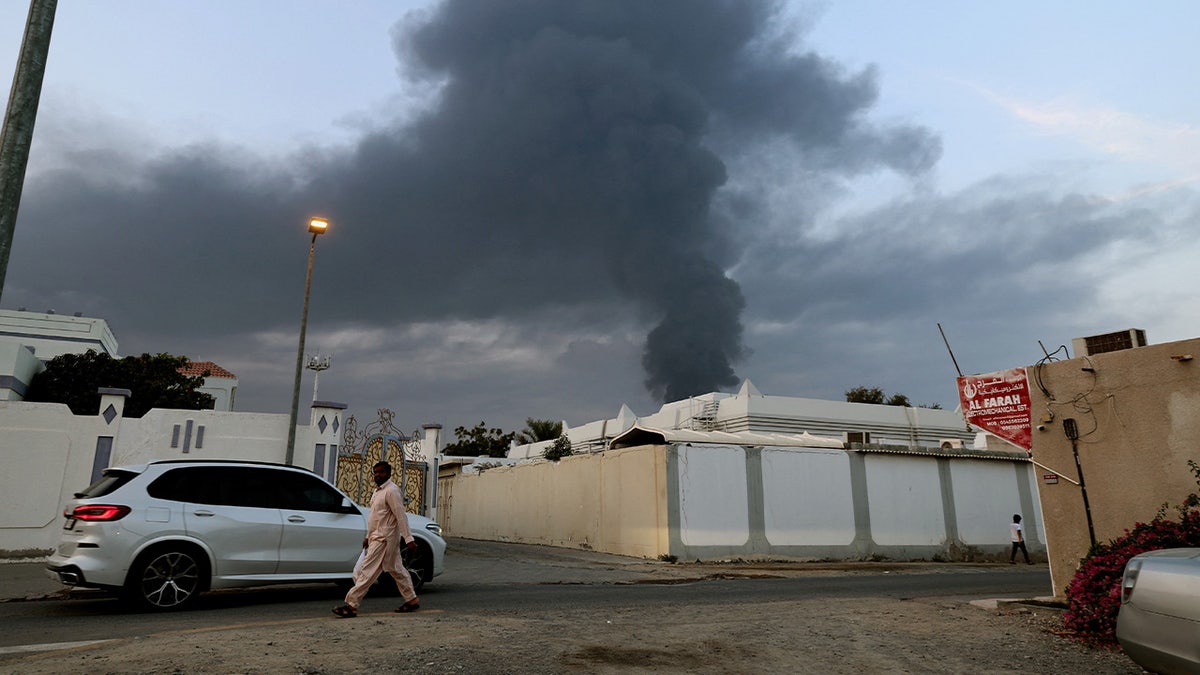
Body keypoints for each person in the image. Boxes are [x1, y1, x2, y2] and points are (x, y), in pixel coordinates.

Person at [332, 461, 421, 617]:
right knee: (397, 569)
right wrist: (367, 536)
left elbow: (401, 516)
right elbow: (375, 518)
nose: (377, 475)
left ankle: (351, 605)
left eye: (381, 472)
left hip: (384, 539)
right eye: (375, 472)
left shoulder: (392, 491)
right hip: (375, 537)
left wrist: (408, 539)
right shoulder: (377, 492)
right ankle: (412, 599)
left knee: (367, 571)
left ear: (388, 473)